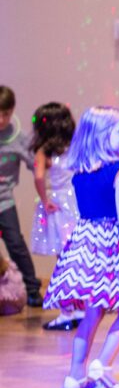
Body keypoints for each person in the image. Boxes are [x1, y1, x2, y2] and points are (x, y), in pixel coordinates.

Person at [43, 106, 119, 388]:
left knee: (92, 314)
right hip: (110, 246)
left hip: (86, 244)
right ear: (101, 136)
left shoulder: (80, 174)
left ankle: (74, 377)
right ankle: (103, 365)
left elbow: (95, 212)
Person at [30, 102, 84, 330]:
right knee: (76, 261)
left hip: (58, 206)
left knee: (62, 262)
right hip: (77, 203)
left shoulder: (44, 152)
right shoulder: (76, 146)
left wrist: (44, 200)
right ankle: (80, 308)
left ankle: (66, 311)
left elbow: (39, 177)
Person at [0, 86, 43, 307]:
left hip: (4, 201)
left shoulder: (18, 137)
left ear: (12, 111)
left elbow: (35, 164)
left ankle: (33, 289)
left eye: (5, 114)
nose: (0, 119)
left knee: (15, 243)